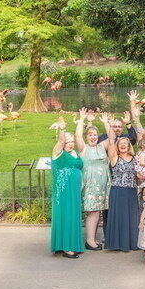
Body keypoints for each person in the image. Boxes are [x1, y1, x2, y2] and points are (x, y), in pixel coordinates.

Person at [74, 110, 109, 251]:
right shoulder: (84, 149)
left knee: (97, 212)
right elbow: (77, 136)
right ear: (86, 137)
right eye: (90, 135)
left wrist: (106, 123)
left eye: (95, 135)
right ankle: (90, 241)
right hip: (90, 186)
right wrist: (82, 120)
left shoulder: (102, 147)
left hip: (102, 186)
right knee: (93, 212)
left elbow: (112, 138)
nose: (93, 137)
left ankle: (92, 238)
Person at [105, 120, 140, 252]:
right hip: (118, 191)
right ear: (117, 146)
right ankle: (118, 244)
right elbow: (111, 143)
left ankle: (131, 243)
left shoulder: (134, 158)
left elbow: (137, 175)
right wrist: (109, 127)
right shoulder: (114, 157)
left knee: (131, 217)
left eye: (126, 143)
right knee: (119, 217)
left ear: (129, 145)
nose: (123, 145)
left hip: (131, 191)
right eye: (121, 144)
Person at [49, 127, 83, 258]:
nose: (70, 143)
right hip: (63, 192)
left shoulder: (74, 153)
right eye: (68, 141)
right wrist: (62, 129)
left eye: (72, 141)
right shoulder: (57, 152)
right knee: (65, 215)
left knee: (73, 215)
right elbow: (60, 140)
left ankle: (65, 244)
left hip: (74, 191)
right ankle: (67, 247)